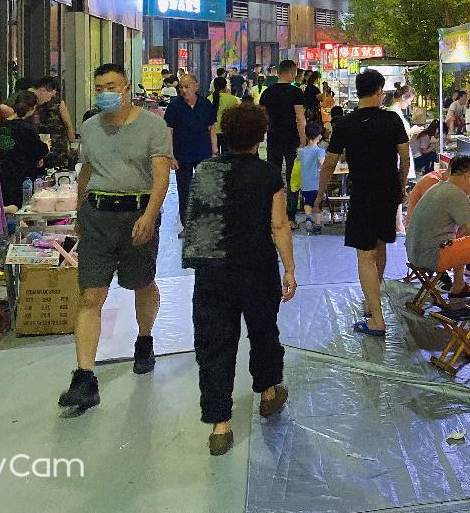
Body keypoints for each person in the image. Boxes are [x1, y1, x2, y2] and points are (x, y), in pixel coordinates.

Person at [181, 103, 296, 454]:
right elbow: (279, 225)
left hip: (212, 271)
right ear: (261, 136)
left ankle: (220, 426)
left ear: (225, 135)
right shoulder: (267, 174)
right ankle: (268, 393)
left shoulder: (205, 171)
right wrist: (289, 269)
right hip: (256, 267)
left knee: (214, 344)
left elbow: (194, 219)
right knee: (263, 332)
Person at [58, 64, 173, 414]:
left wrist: (150, 216)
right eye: (99, 88)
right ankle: (85, 377)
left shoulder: (152, 126)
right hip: (97, 216)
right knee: (90, 295)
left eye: (111, 86)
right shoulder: (91, 127)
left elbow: (161, 175)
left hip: (137, 214)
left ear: (126, 88)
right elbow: (87, 172)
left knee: (141, 283)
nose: (104, 93)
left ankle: (144, 338)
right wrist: (79, 212)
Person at [316, 69, 410, 337]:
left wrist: (320, 195)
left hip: (363, 193)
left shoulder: (346, 123)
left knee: (365, 256)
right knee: (380, 248)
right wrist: (401, 186)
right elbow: (405, 158)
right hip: (388, 192)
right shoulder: (392, 120)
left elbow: (329, 163)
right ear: (379, 91)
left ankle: (376, 319)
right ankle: (371, 303)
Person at [406, 155, 470, 311]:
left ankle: (458, 285)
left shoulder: (441, 187)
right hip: (430, 256)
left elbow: (465, 228)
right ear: (468, 175)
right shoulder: (455, 193)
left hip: (415, 252)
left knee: (462, 235)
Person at [164, 73, 218, 229]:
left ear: (196, 86)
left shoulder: (205, 104)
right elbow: (169, 131)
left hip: (203, 153)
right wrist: (171, 155)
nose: (183, 90)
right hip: (182, 154)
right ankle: (187, 225)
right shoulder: (175, 105)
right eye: (181, 87)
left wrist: (215, 150)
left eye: (187, 87)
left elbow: (211, 129)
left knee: (205, 189)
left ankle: (203, 222)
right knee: (184, 190)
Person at [260, 60, 306, 207]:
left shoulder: (267, 93)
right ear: (292, 73)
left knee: (273, 175)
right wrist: (303, 140)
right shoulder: (296, 92)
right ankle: (291, 212)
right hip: (292, 139)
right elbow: (300, 118)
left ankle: (274, 209)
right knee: (293, 176)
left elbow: (262, 118)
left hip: (273, 138)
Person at [0, 90, 49, 207]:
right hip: (19, 180)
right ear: (33, 108)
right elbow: (39, 151)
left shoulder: (0, 127)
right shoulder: (27, 129)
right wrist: (46, 145)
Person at [32, 76, 75, 169]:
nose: (51, 97)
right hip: (39, 151)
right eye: (51, 94)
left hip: (58, 150)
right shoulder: (31, 104)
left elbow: (68, 124)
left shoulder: (58, 104)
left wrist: (72, 144)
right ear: (43, 90)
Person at [297, 128, 326, 233]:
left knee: (307, 202)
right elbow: (322, 164)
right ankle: (317, 225)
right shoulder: (320, 151)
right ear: (319, 136)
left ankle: (308, 219)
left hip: (304, 182)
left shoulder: (301, 151)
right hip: (316, 182)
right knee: (317, 203)